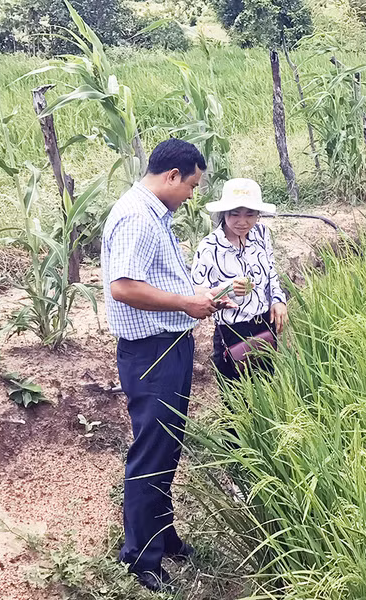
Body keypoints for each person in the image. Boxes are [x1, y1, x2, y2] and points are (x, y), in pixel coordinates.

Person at [101, 138, 240, 592]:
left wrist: (200, 297)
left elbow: (157, 279)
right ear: (172, 175)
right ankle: (141, 558)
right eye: (192, 186)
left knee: (168, 447)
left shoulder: (154, 214)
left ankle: (162, 537)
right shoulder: (136, 217)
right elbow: (123, 287)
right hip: (151, 353)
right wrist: (185, 303)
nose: (192, 195)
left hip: (169, 345)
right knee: (153, 452)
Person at [191, 178, 289, 381]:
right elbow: (197, 294)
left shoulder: (261, 234)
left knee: (266, 385)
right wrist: (227, 289)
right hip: (232, 331)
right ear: (224, 213)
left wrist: (278, 300)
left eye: (250, 214)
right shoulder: (210, 247)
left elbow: (271, 271)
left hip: (264, 324)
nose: (242, 222)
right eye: (235, 214)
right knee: (235, 392)